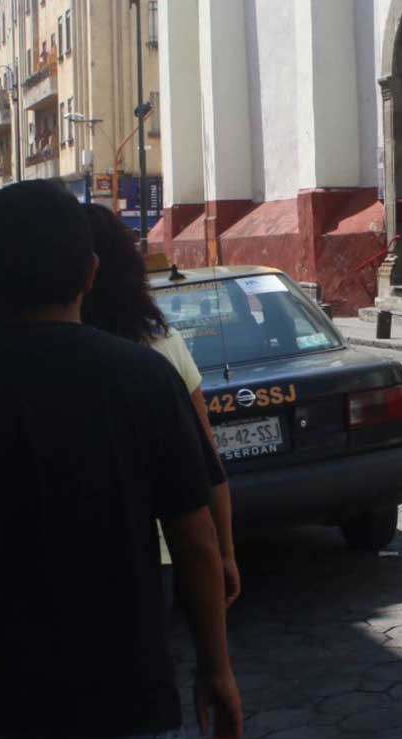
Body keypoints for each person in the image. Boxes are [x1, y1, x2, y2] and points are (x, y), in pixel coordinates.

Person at [0, 181, 243, 739]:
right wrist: (215, 667)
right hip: (125, 691)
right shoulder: (144, 377)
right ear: (90, 272)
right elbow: (195, 541)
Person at [80, 203, 241, 608]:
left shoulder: (24, 357)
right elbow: (206, 458)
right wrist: (224, 552)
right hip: (155, 552)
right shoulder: (159, 346)